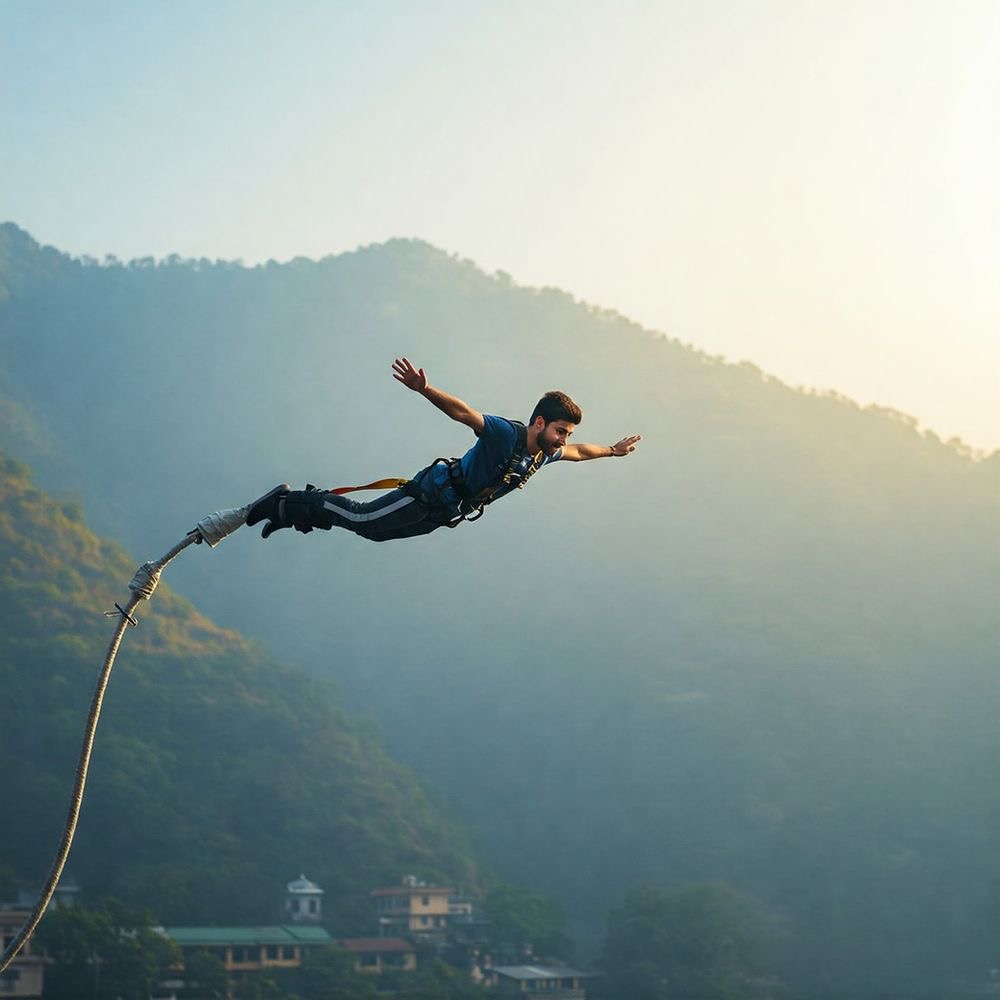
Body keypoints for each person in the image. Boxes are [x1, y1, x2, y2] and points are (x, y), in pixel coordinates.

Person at [247, 357, 641, 542]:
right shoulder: (506, 434)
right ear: (539, 422)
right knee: (364, 519)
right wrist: (425, 390)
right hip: (431, 493)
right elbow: (465, 413)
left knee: (374, 534)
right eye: (560, 431)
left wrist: (612, 450)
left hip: (444, 512)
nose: (563, 440)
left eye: (567, 433)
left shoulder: (544, 453)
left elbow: (580, 452)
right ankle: (288, 501)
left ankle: (287, 512)